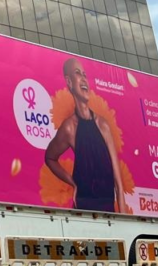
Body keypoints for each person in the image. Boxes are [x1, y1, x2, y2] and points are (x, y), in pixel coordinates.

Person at [44, 58, 128, 213]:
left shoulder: (102, 125)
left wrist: (124, 221)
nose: (83, 79)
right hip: (83, 211)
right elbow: (50, 158)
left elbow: (118, 184)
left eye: (85, 74)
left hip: (108, 213)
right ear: (69, 82)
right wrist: (72, 183)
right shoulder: (69, 127)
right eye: (78, 73)